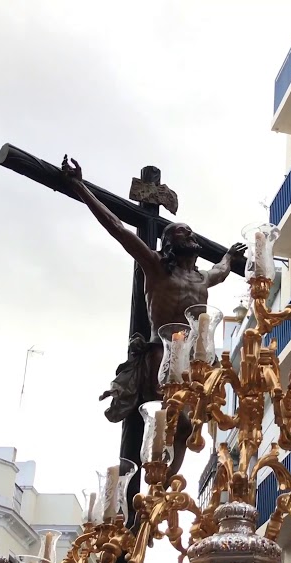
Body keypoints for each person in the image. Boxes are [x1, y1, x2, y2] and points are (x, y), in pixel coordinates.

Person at [61, 156, 246, 476]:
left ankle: (163, 484)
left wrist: (229, 256)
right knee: (178, 421)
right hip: (159, 356)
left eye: (191, 234)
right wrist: (79, 186)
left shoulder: (202, 279)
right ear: (171, 243)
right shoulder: (157, 268)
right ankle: (157, 476)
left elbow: (221, 269)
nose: (193, 238)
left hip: (192, 361)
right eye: (184, 234)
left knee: (188, 427)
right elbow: (117, 228)